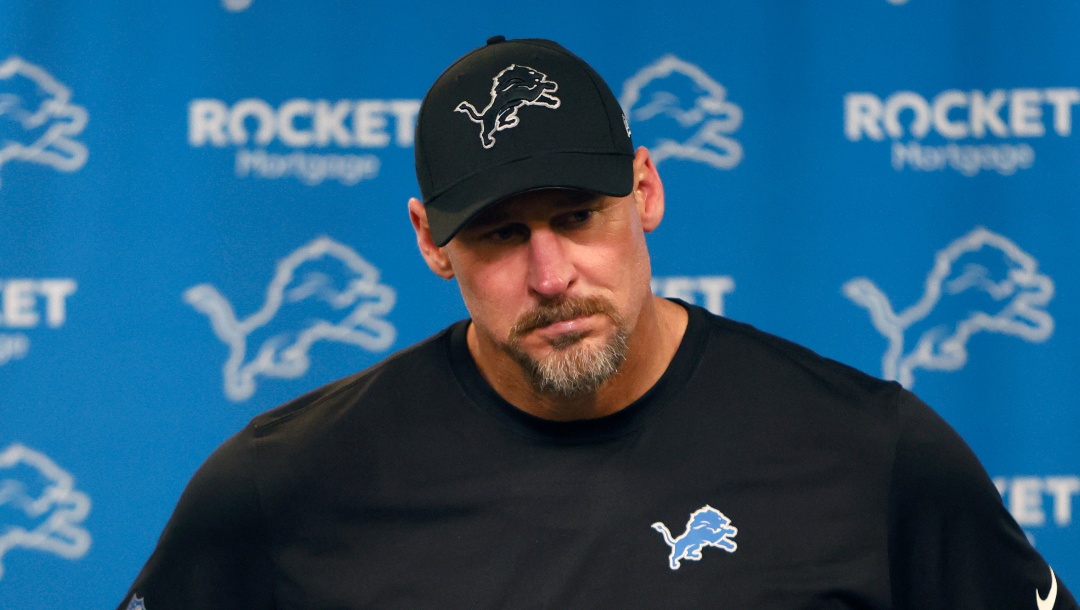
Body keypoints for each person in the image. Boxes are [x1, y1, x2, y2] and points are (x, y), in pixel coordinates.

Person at [118, 36, 1077, 609]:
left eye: (578, 217)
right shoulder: (284, 484)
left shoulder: (871, 451)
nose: (550, 274)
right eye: (498, 235)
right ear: (429, 241)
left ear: (645, 190)